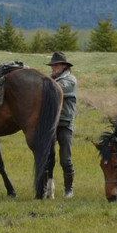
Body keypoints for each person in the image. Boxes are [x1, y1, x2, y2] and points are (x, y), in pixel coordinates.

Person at [45, 51, 77, 198]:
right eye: (52, 65)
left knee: (65, 158)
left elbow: (54, 89)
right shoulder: (51, 79)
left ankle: (68, 189)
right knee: (47, 156)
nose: (53, 68)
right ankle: (47, 187)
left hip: (65, 123)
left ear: (64, 66)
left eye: (55, 65)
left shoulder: (70, 80)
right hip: (51, 123)